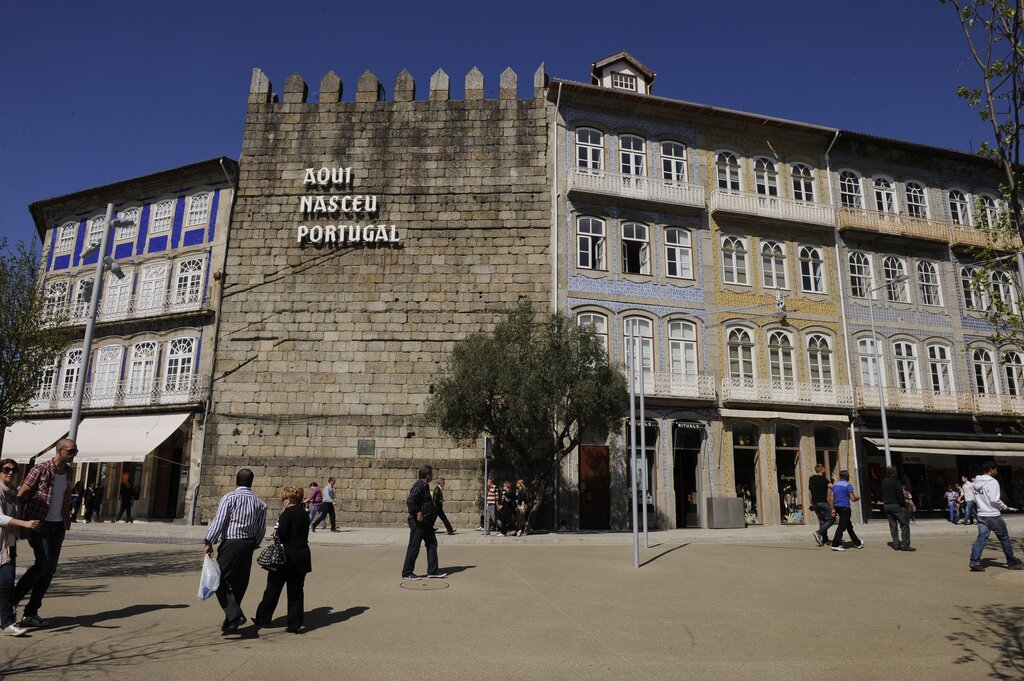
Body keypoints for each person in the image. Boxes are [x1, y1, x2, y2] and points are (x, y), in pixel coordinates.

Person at [13, 439, 77, 627]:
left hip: (58, 525)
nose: (74, 454)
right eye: (72, 451)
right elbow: (21, 493)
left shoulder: (69, 473)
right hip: (39, 523)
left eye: (76, 451)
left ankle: (31, 612)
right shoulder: (40, 469)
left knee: (49, 569)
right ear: (60, 451)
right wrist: (21, 523)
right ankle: (10, 603)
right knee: (44, 563)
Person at [204, 468, 268, 632]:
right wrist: (254, 543)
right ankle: (230, 621)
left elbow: (220, 521)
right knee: (240, 582)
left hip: (231, 542)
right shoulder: (260, 503)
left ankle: (234, 615)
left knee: (217, 579)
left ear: (236, 480)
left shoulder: (229, 498)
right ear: (251, 482)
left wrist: (209, 541)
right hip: (248, 544)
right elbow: (261, 528)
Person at [255, 485, 312, 633]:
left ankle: (263, 618)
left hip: (285, 556)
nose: (283, 501)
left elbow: (283, 533)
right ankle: (294, 624)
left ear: (289, 499)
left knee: (273, 588)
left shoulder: (287, 513)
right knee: (296, 591)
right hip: (301, 555)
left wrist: (277, 533)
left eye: (283, 498)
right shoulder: (304, 513)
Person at [1, 459, 40, 636]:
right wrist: (24, 524)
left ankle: (8, 623)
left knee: (7, 584)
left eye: (14, 470)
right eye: (6, 469)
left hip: (8, 546)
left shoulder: (14, 494)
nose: (10, 473)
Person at [969, 460, 1022, 572]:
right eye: (996, 469)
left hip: (981, 514)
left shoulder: (975, 483)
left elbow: (974, 499)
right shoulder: (993, 482)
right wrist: (1004, 507)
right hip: (993, 515)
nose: (996, 472)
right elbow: (994, 499)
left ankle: (974, 561)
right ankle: (1012, 563)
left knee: (981, 539)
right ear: (991, 469)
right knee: (1004, 539)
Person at [402, 465, 446, 580]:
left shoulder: (425, 486)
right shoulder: (419, 485)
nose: (433, 476)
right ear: (427, 475)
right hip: (418, 523)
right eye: (431, 474)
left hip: (426, 523)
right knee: (414, 547)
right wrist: (418, 513)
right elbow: (410, 501)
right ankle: (407, 573)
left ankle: (432, 571)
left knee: (432, 544)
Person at [880, 465, 914, 551]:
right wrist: (903, 505)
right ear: (894, 472)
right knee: (904, 524)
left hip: (887, 505)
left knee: (893, 526)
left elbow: (880, 493)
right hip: (896, 505)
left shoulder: (883, 481)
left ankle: (896, 544)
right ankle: (905, 544)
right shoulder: (896, 481)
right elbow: (899, 494)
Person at [829, 470, 864, 551]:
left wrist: (833, 508)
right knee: (841, 526)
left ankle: (857, 543)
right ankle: (835, 544)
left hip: (837, 507)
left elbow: (832, 498)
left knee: (848, 525)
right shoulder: (848, 485)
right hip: (845, 508)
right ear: (847, 477)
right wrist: (858, 498)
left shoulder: (835, 485)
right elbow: (852, 499)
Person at [808, 463, 834, 547]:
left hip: (815, 503)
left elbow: (810, 492)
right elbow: (832, 487)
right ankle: (818, 532)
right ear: (822, 470)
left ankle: (825, 540)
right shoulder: (823, 479)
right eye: (824, 469)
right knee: (831, 519)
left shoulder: (811, 479)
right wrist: (836, 481)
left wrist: (811, 503)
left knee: (822, 521)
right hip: (822, 502)